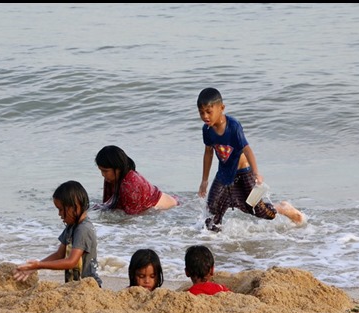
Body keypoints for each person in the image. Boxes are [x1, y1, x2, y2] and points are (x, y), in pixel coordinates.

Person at [196, 87, 305, 232]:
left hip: (243, 173)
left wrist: (256, 172)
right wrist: (204, 180)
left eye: (209, 112)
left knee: (259, 210)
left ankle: (283, 208)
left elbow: (247, 150)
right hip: (224, 174)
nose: (205, 116)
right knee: (212, 211)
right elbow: (208, 153)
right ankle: (217, 244)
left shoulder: (233, 126)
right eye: (201, 112)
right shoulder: (207, 130)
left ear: (221, 108)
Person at [13, 180, 102, 287]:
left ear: (74, 206)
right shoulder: (71, 226)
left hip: (89, 286)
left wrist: (39, 265)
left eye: (60, 209)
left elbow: (71, 262)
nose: (59, 214)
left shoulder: (83, 229)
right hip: (74, 286)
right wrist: (34, 267)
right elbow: (59, 254)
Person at [95, 145, 178, 215]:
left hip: (167, 208)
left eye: (105, 171)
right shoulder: (111, 178)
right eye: (101, 170)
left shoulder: (130, 185)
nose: (102, 174)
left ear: (118, 168)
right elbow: (108, 205)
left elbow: (132, 219)